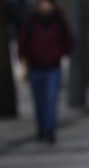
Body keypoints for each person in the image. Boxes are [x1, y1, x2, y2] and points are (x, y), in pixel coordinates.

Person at [18, 0, 73, 144]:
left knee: (51, 98)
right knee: (39, 100)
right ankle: (42, 128)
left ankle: (49, 130)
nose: (45, 6)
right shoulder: (30, 21)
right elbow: (23, 41)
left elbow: (69, 41)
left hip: (53, 67)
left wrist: (59, 54)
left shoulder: (59, 21)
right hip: (35, 67)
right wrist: (23, 57)